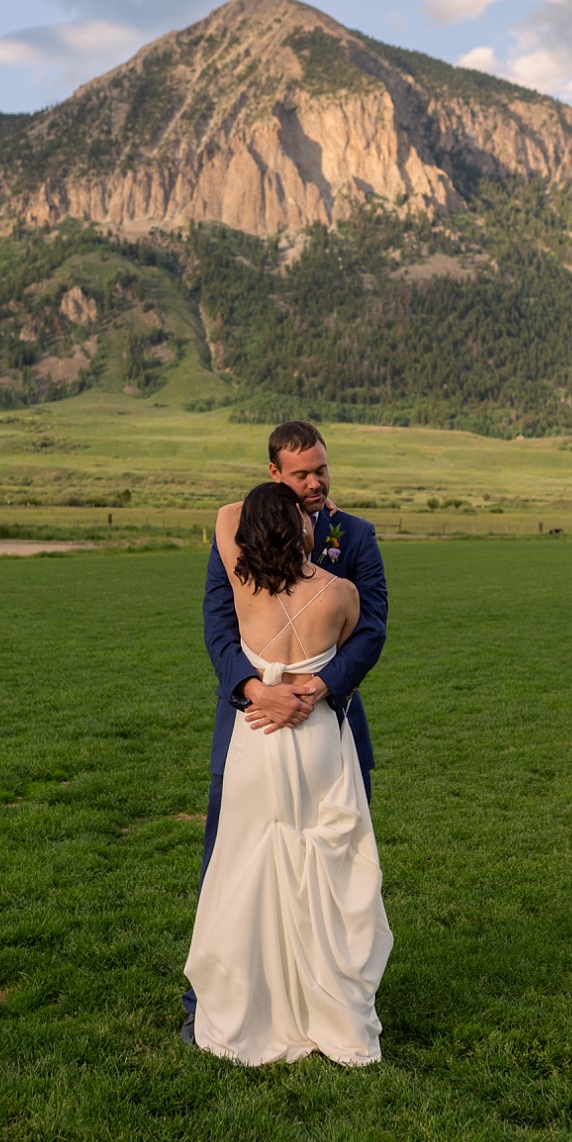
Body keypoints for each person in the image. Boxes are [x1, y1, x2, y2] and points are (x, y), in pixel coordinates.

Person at [182, 421, 388, 1038]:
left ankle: (330, 1000)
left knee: (332, 869)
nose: (316, 481)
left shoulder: (354, 535)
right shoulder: (243, 538)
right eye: (300, 474)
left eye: (321, 468)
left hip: (330, 720)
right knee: (233, 866)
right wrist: (256, 689)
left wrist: (319, 688)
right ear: (273, 474)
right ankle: (215, 1006)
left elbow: (374, 629)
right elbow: (218, 625)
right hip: (251, 722)